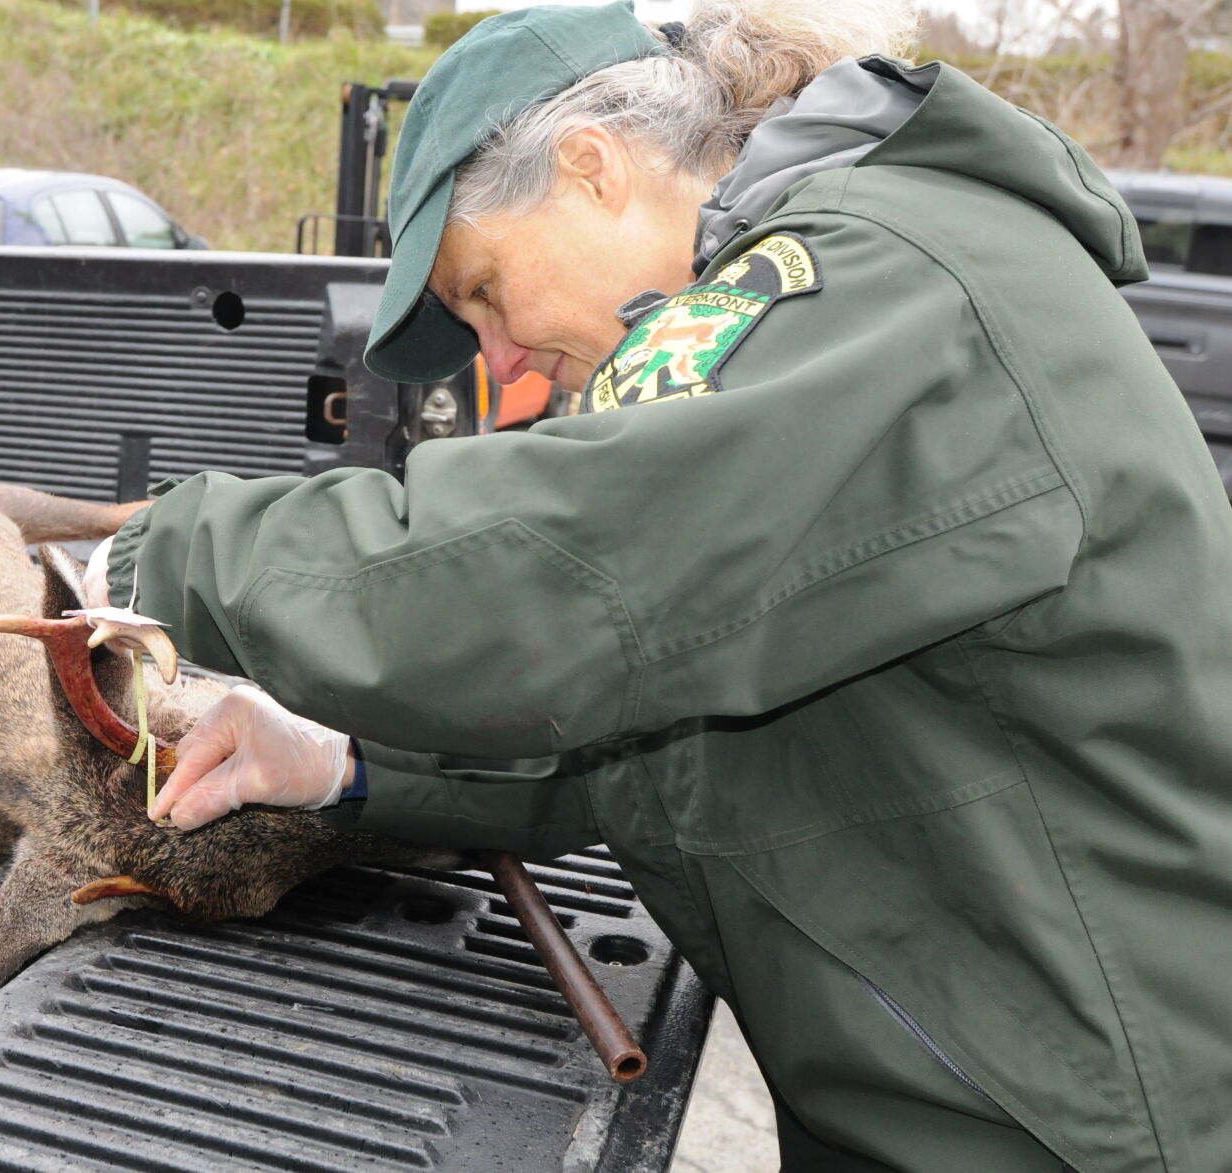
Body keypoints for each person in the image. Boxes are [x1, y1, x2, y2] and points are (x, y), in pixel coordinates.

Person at [84, 1, 1232, 1167]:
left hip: (1089, 1128)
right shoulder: (854, 279)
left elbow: (567, 580)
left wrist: (152, 556)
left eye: (481, 291)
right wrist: (341, 762)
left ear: (591, 169)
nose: (499, 358)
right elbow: (683, 738)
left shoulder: (886, 273)